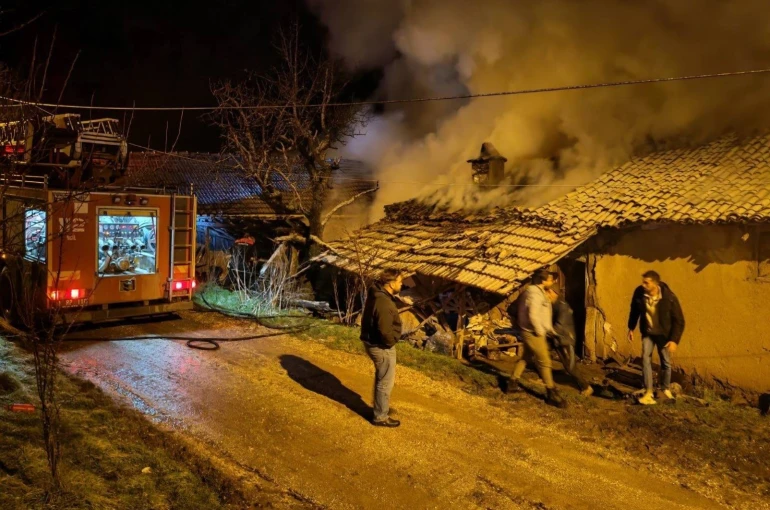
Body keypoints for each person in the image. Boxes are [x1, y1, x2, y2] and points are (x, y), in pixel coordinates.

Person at [509, 269, 567, 408]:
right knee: (545, 361)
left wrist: (550, 329)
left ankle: (512, 383)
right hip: (533, 332)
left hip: (532, 330)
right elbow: (533, 315)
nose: (552, 282)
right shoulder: (534, 294)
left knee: (526, 358)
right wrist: (540, 331)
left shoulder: (538, 292)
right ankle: (551, 393)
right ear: (543, 281)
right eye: (550, 279)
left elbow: (543, 314)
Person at [627, 270, 685, 405]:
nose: (643, 285)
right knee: (645, 358)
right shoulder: (639, 293)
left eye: (646, 283)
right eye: (643, 282)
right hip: (648, 332)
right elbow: (634, 311)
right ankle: (648, 391)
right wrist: (631, 328)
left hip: (664, 335)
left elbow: (679, 320)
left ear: (655, 283)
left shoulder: (669, 297)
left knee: (665, 362)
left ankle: (665, 389)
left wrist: (674, 340)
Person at [360, 269, 404, 427]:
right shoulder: (384, 303)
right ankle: (380, 417)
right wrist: (391, 342)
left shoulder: (377, 294)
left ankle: (379, 410)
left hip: (373, 341)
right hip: (381, 345)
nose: (402, 284)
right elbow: (385, 331)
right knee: (385, 381)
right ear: (391, 284)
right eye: (400, 281)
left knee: (382, 378)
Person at [546, 287, 594, 397]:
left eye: (549, 292)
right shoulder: (553, 304)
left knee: (570, 367)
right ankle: (547, 380)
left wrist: (547, 332)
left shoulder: (562, 306)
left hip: (566, 340)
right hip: (557, 339)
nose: (547, 294)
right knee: (543, 356)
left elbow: (560, 325)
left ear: (555, 293)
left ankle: (586, 387)